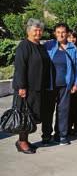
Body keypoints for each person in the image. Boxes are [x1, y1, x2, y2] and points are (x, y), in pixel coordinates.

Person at [12, 18, 51, 154]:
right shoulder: (24, 46)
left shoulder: (40, 46)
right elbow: (20, 67)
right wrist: (22, 86)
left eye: (40, 30)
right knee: (24, 115)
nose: (38, 32)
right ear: (28, 31)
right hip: (26, 88)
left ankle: (25, 140)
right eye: (35, 30)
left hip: (39, 88)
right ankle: (21, 142)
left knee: (31, 115)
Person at [42, 23, 77, 145]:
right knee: (48, 111)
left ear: (67, 33)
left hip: (65, 85)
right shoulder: (48, 46)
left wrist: (76, 83)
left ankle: (61, 135)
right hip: (49, 85)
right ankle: (46, 136)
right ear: (55, 33)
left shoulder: (73, 48)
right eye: (58, 32)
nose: (61, 34)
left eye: (63, 32)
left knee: (63, 111)